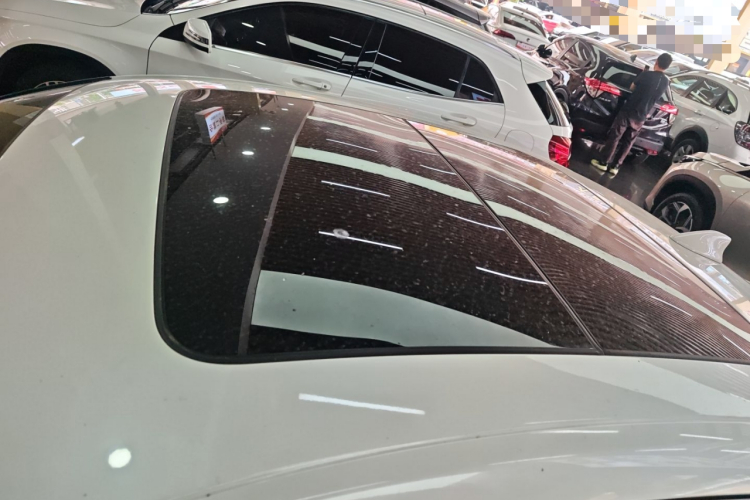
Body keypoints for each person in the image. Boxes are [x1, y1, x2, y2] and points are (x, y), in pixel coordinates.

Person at [591, 52, 673, 175]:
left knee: (615, 136)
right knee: (629, 141)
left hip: (629, 110)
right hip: (642, 115)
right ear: (667, 66)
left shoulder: (646, 75)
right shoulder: (666, 82)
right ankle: (615, 166)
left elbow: (632, 87)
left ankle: (603, 162)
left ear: (656, 61)